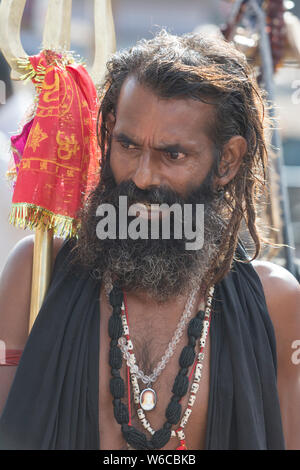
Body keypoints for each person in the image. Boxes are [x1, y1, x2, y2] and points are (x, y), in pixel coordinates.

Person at [0, 30, 299, 451]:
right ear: (108, 131)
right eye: (127, 145)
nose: (142, 176)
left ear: (227, 161)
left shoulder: (277, 303)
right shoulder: (36, 272)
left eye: (172, 155)